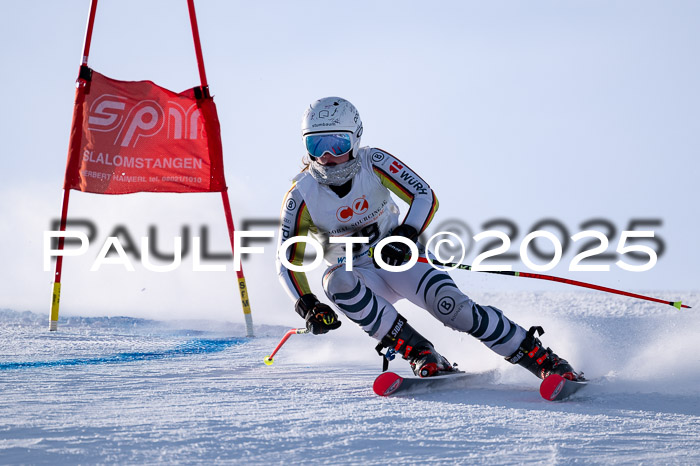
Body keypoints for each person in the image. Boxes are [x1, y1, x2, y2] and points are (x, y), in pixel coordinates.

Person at [276, 96, 584, 381]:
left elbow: (424, 195)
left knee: (454, 309)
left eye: (337, 143)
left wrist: (405, 236)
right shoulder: (301, 194)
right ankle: (421, 353)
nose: (328, 157)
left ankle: (543, 360)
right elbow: (287, 260)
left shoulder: (373, 162)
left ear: (355, 139)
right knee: (335, 282)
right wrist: (308, 304)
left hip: (397, 259)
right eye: (317, 146)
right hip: (358, 274)